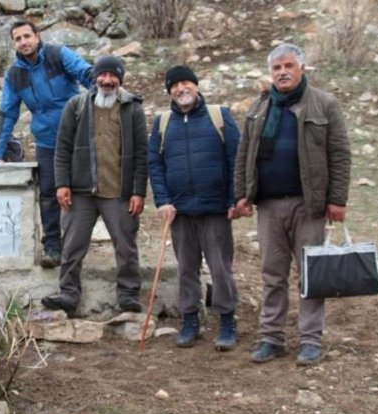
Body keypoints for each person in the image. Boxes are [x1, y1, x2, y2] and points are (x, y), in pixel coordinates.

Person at [234, 43, 351, 366]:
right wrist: (241, 194)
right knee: (272, 274)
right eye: (276, 68)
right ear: (270, 73)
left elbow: (340, 154)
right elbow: (244, 153)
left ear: (302, 69)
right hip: (269, 205)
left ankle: (310, 340)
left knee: (310, 274)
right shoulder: (260, 106)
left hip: (308, 205)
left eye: (288, 66)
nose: (282, 72)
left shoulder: (324, 104)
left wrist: (337, 199)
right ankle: (271, 338)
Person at [40, 55, 147, 316]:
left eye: (113, 76)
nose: (107, 80)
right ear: (95, 77)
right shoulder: (76, 106)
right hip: (80, 191)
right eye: (103, 75)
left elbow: (143, 154)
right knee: (73, 245)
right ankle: (68, 293)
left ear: (120, 79)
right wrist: (62, 183)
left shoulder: (133, 108)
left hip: (118, 192)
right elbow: (62, 148)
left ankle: (128, 295)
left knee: (125, 246)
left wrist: (138, 191)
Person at [147, 65, 242, 350]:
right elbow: (155, 164)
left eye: (186, 83)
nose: (181, 89)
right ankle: (190, 320)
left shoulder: (219, 116)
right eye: (174, 86)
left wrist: (234, 200)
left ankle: (226, 320)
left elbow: (235, 158)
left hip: (216, 209)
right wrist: (162, 201)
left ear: (196, 86)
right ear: (169, 92)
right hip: (180, 211)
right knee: (186, 268)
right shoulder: (162, 123)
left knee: (220, 268)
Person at [0, 20, 93, 269]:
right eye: (18, 39)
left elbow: (85, 73)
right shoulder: (15, 75)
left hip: (77, 136)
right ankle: (53, 248)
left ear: (37, 36)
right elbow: (8, 113)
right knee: (48, 194)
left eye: (27, 36)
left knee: (83, 191)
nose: (23, 42)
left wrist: (105, 88)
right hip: (46, 141)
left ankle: (78, 246)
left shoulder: (58, 55)